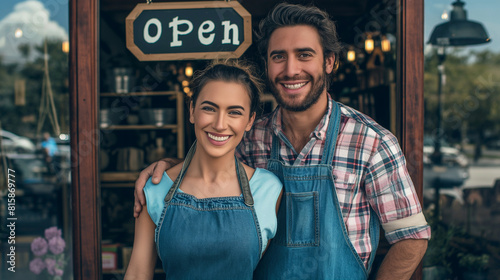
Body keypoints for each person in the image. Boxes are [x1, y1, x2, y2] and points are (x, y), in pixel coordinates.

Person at [134, 3, 430, 279]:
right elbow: (209, 171)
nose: (290, 70)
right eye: (279, 57)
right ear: (267, 65)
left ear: (329, 62)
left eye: (304, 55)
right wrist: (171, 168)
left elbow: (411, 238)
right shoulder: (250, 138)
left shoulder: (372, 142)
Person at [124, 61, 283, 279]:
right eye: (209, 108)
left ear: (250, 120)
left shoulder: (268, 189)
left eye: (234, 112)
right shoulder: (156, 187)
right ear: (192, 110)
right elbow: (137, 274)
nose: (219, 124)